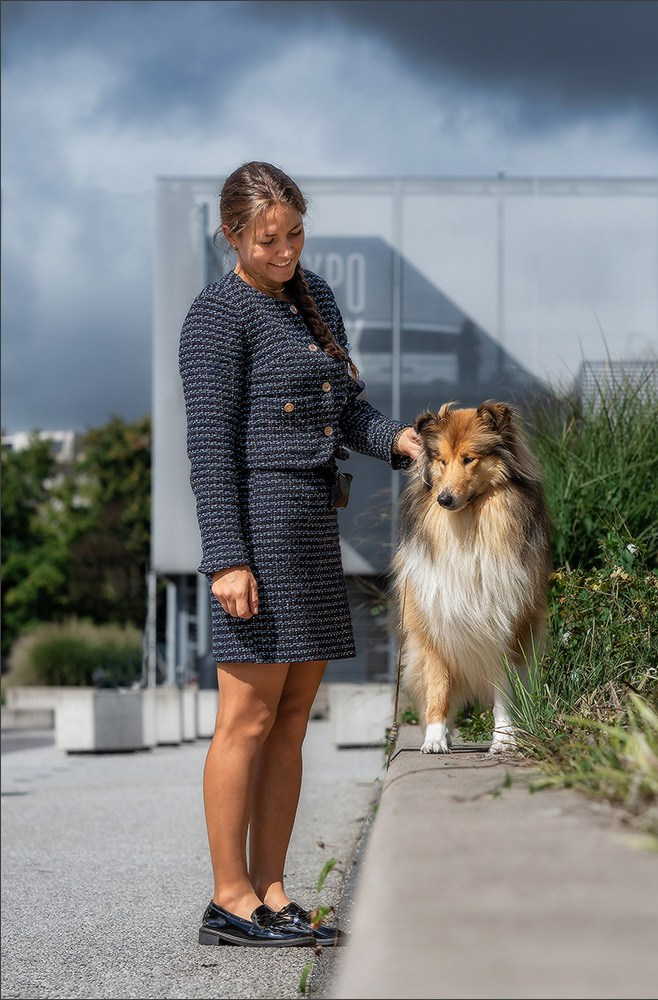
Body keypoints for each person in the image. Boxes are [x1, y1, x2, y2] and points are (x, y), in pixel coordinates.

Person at [179, 161, 422, 948]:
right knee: (244, 722)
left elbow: (346, 408)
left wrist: (397, 441)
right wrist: (226, 558)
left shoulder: (314, 298)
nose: (285, 251)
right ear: (232, 236)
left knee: (290, 722)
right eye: (267, 240)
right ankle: (229, 896)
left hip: (314, 531)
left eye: (294, 234)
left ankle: (274, 890)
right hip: (256, 532)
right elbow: (210, 449)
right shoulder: (216, 317)